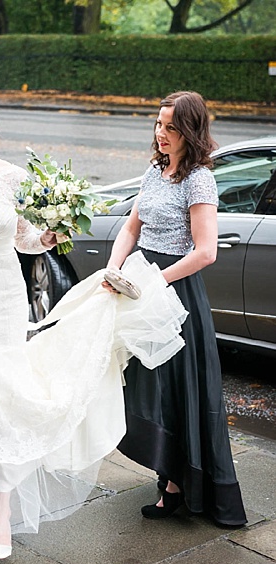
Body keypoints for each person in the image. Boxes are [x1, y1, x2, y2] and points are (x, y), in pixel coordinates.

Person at [0, 91, 190, 560]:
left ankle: (1, 511)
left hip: (2, 303)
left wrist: (48, 236)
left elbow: (26, 240)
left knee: (6, 405)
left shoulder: (15, 178)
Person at [104, 91, 246, 527]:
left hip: (175, 292)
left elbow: (206, 252)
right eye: (158, 125)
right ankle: (169, 475)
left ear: (190, 131)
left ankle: (179, 486)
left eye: (169, 127)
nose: (160, 134)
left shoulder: (199, 180)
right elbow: (132, 224)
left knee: (177, 390)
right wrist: (115, 266)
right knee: (147, 384)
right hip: (142, 278)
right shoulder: (154, 170)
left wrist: (155, 281)